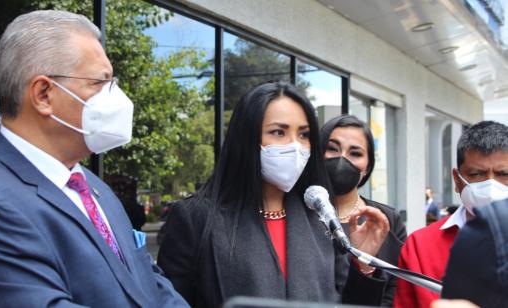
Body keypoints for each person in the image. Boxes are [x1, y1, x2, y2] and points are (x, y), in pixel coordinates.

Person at [0, 10, 187, 307]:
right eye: (99, 83)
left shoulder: (90, 186)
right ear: (43, 94)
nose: (115, 98)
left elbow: (152, 282)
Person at [158, 81, 390, 308]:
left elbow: (347, 302)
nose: (295, 146)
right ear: (246, 137)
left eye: (304, 134)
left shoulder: (320, 216)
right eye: (278, 132)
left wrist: (363, 265)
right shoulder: (195, 218)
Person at [394, 120, 508, 308]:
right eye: (476, 174)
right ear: (457, 179)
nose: (491, 185)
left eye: (503, 174)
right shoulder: (420, 246)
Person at [320, 114, 407, 306]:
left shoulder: (385, 220)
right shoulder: (295, 213)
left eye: (356, 153)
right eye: (332, 149)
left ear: (367, 167)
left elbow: (395, 293)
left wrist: (365, 266)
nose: (342, 159)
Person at [441, 198, 508, 307]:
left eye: (503, 179)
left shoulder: (492, 223)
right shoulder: (420, 241)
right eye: (475, 178)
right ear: (457, 182)